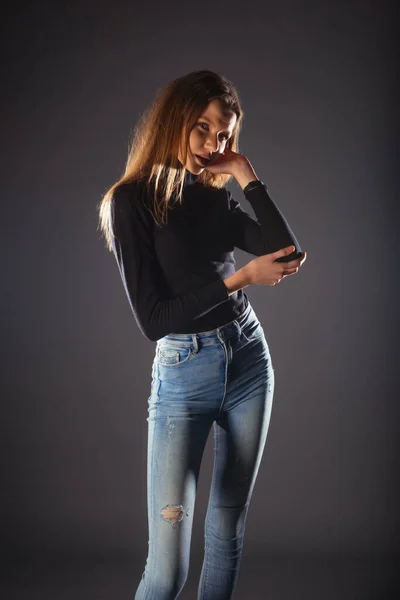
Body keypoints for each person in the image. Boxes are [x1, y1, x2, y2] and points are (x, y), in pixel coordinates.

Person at [98, 70, 307, 600]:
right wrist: (238, 278)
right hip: (183, 373)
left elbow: (285, 252)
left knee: (227, 530)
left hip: (247, 360)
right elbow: (154, 319)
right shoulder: (131, 202)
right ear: (175, 120)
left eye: (223, 135)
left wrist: (244, 172)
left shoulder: (212, 195)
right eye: (202, 129)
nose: (211, 143)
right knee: (167, 572)